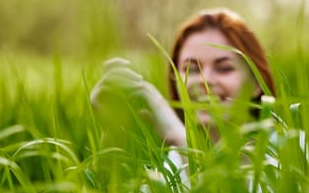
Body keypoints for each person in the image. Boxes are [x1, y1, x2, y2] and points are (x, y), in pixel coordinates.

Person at [90, 8, 277, 150]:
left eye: (224, 68)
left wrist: (180, 140)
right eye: (192, 70)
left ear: (256, 83)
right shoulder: (167, 172)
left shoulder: (297, 153)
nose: (205, 81)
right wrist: (113, 134)